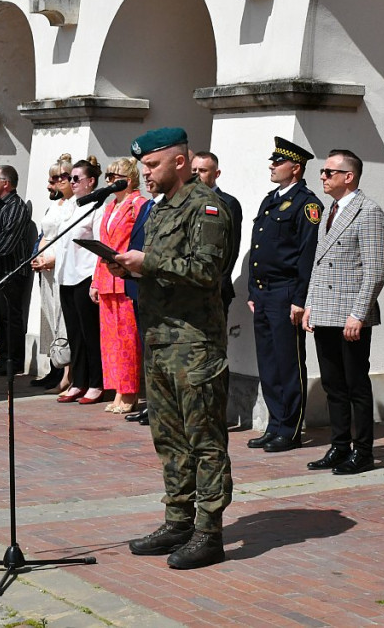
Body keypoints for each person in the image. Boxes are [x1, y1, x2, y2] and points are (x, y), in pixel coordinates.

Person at [110, 127, 233, 570]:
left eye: (152, 165)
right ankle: (178, 520)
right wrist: (125, 266)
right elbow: (161, 271)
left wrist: (150, 262)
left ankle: (209, 532)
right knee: (169, 439)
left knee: (204, 441)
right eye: (143, 166)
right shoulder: (159, 210)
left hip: (195, 342)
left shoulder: (208, 207)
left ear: (179, 162)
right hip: (160, 338)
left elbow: (206, 270)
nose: (145, 173)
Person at [301, 149, 384, 475]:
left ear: (348, 177)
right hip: (325, 311)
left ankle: (362, 452)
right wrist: (310, 304)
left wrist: (359, 314)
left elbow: (375, 270)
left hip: (351, 315)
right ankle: (339, 447)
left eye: (329, 172)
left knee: (355, 386)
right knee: (332, 385)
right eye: (323, 172)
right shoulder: (329, 212)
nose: (322, 176)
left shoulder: (369, 213)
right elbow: (319, 265)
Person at [246, 137, 323, 453]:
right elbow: (259, 247)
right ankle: (274, 424)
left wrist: (300, 300)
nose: (272, 166)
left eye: (278, 162)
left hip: (286, 294)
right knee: (268, 363)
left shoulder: (307, 204)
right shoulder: (270, 200)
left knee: (289, 364)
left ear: (296, 167)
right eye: (273, 161)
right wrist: (252, 289)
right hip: (263, 295)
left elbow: (306, 255)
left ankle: (289, 429)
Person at [91, 158, 147, 413]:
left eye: (114, 176)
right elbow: (102, 244)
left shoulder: (139, 205)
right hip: (106, 278)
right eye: (108, 176)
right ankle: (116, 389)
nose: (109, 181)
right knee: (109, 340)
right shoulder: (110, 206)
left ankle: (129, 392)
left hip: (125, 277)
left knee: (127, 339)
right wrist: (95, 280)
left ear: (129, 178)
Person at [53, 159, 104, 405]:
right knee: (73, 333)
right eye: (69, 178)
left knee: (89, 332)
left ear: (91, 181)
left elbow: (98, 243)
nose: (71, 182)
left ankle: (96, 382)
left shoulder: (97, 205)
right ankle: (78, 381)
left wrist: (96, 279)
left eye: (76, 178)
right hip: (66, 275)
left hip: (85, 274)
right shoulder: (69, 205)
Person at [0, 165, 32, 377]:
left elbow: (6, 242)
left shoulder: (16, 207)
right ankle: (3, 357)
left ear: (6, 183)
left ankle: (14, 360)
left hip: (10, 272)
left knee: (9, 316)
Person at [30, 160, 75, 392]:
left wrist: (51, 259)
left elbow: (70, 241)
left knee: (64, 320)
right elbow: (46, 234)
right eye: (53, 179)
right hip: (45, 269)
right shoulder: (55, 205)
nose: (55, 183)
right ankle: (56, 368)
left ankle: (68, 374)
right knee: (51, 319)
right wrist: (38, 256)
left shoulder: (75, 205)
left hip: (61, 267)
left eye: (60, 178)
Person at [123, 178, 158, 427]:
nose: (149, 176)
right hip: (139, 284)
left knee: (157, 350)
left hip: (158, 286)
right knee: (148, 349)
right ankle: (152, 406)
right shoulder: (149, 206)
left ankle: (159, 408)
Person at [192, 151, 243, 314]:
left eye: (202, 171)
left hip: (214, 288)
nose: (197, 175)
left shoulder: (228, 203)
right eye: (194, 171)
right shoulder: (186, 202)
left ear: (216, 173)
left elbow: (231, 248)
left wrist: (218, 283)